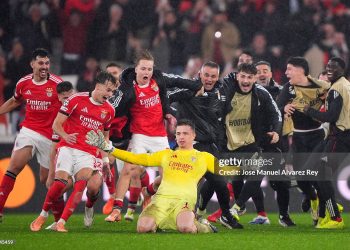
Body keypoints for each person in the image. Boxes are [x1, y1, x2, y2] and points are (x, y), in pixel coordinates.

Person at [105, 50, 202, 222]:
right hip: (139, 135)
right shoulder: (127, 88)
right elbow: (112, 110)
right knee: (128, 169)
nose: (147, 73)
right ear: (136, 69)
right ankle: (117, 209)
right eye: (143, 69)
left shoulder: (158, 79)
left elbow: (178, 80)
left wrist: (197, 85)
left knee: (168, 176)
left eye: (149, 69)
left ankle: (150, 192)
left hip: (159, 136)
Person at [86, 119, 219, 233]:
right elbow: (136, 158)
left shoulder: (204, 157)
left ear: (194, 135)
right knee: (143, 229)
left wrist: (239, 165)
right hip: (160, 201)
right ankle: (158, 223)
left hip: (183, 202)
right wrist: (110, 149)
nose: (181, 137)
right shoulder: (166, 155)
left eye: (185, 133)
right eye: (178, 133)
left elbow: (226, 170)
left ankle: (205, 227)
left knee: (186, 228)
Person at [30, 71, 117, 232]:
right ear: (98, 86)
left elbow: (105, 139)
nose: (110, 94)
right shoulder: (76, 99)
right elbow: (56, 124)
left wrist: (105, 161)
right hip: (68, 147)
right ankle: (43, 215)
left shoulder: (110, 111)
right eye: (109, 90)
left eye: (112, 91)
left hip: (89, 153)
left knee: (86, 185)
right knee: (60, 183)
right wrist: (65, 136)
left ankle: (65, 220)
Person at [169, 61, 242, 229]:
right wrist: (170, 113)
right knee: (181, 185)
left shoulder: (220, 92)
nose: (209, 79)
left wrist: (220, 142)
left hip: (209, 147)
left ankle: (226, 215)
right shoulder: (189, 89)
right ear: (200, 74)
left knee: (220, 183)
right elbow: (166, 97)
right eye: (206, 75)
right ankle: (171, 213)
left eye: (213, 76)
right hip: (188, 146)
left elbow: (221, 117)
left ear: (218, 77)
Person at [0, 48, 62, 221]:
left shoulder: (57, 84)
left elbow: (69, 107)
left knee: (48, 181)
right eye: (41, 63)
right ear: (32, 64)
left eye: (47, 63)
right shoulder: (23, 83)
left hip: (51, 137)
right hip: (29, 130)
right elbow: (14, 101)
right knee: (14, 166)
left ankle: (59, 219)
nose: (44, 67)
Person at [222, 63, 282, 224]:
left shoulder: (261, 92)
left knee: (258, 171)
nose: (246, 80)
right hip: (228, 143)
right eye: (243, 76)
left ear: (254, 79)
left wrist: (276, 130)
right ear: (237, 76)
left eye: (250, 77)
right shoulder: (226, 89)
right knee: (229, 179)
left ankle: (238, 207)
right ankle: (200, 213)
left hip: (250, 142)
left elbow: (276, 113)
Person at [277, 57, 330, 225]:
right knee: (300, 178)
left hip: (317, 136)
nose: (286, 73)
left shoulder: (321, 87)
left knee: (317, 176)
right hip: (299, 137)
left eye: (289, 69)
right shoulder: (288, 89)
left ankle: (322, 216)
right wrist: (284, 107)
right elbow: (277, 106)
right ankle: (312, 197)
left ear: (301, 70)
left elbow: (334, 104)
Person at [303, 57, 348, 229]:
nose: (329, 69)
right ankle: (331, 210)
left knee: (321, 174)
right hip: (341, 136)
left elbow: (331, 117)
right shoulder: (345, 86)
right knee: (318, 171)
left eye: (334, 67)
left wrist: (310, 111)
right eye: (328, 67)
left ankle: (335, 217)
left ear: (342, 69)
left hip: (340, 136)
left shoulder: (336, 90)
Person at [254, 60, 296, 226]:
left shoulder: (281, 91)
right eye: (259, 71)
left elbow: (293, 108)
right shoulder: (248, 92)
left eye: (265, 70)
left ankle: (284, 215)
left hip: (278, 142)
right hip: (257, 141)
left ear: (271, 74)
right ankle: (257, 213)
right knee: (252, 179)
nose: (262, 74)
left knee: (281, 182)